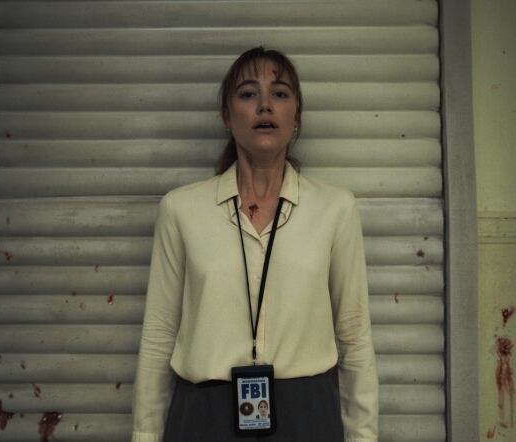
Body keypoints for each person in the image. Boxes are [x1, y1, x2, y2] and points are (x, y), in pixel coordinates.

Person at [131, 46, 378, 442]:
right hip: (203, 417)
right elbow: (159, 333)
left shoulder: (335, 208)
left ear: (296, 115)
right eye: (248, 94)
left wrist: (364, 436)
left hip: (307, 415)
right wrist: (145, 435)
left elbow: (353, 334)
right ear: (226, 116)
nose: (265, 105)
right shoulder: (181, 209)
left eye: (279, 94)